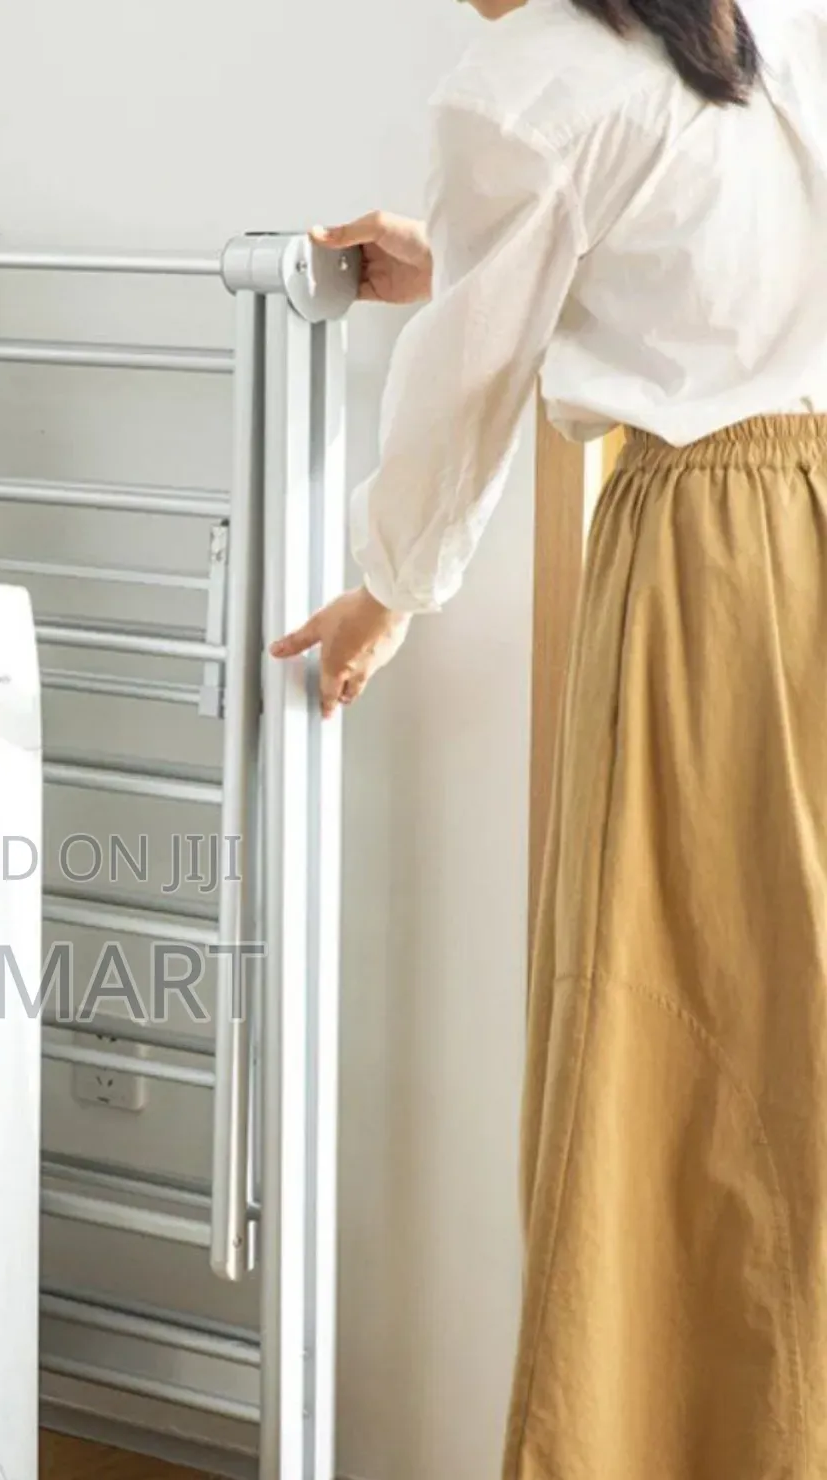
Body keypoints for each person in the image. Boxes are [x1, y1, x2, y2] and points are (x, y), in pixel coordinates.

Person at [270, 0, 827, 1475]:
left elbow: (468, 387)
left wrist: (387, 588)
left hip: (719, 556)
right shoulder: (753, 23)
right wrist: (468, 257)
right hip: (812, 523)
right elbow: (713, 267)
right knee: (801, 1027)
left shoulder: (521, 89)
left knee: (673, 1025)